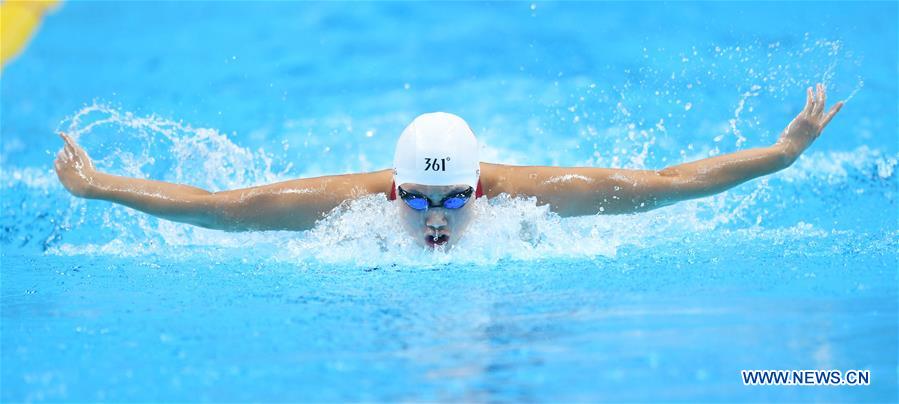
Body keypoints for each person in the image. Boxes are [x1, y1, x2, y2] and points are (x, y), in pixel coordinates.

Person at [55, 84, 843, 248]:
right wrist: (97, 188)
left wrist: (780, 155)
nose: (435, 219)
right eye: (417, 199)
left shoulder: (540, 199)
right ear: (389, 185)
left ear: (481, 188)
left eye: (454, 202)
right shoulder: (342, 203)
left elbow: (669, 184)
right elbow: (219, 206)